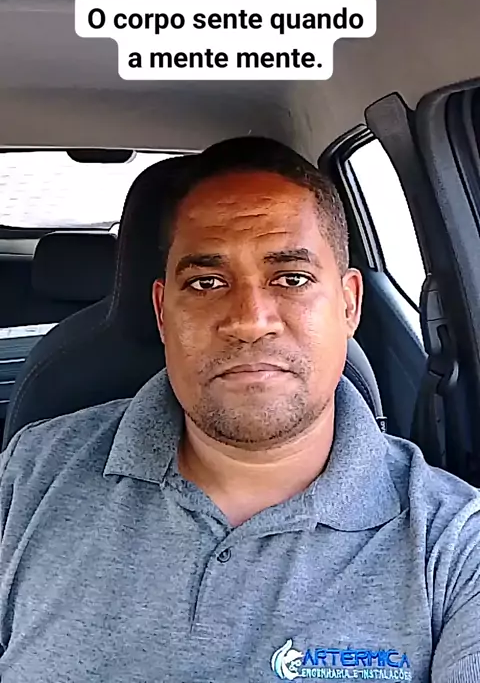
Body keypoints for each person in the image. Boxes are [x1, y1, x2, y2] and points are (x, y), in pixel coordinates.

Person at [0, 136, 479, 683]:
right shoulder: (29, 477)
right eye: (206, 283)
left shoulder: (454, 545)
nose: (250, 321)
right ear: (162, 312)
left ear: (349, 304)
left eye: (292, 279)